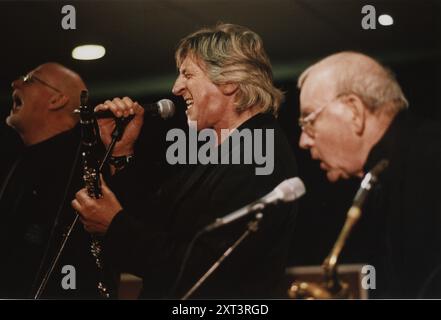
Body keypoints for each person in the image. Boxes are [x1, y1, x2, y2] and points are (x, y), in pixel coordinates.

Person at [72, 23, 298, 299]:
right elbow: (156, 226)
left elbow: (208, 268)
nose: (176, 88)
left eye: (187, 74)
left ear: (229, 81)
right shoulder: (218, 151)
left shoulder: (260, 150)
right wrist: (121, 151)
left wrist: (115, 226)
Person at [296, 51, 441, 298]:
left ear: (354, 111)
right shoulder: (387, 172)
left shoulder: (432, 158)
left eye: (309, 120)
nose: (303, 141)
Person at [0, 63, 109, 298]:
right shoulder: (20, 161)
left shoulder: (87, 164)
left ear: (57, 100)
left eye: (29, 79)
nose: (15, 83)